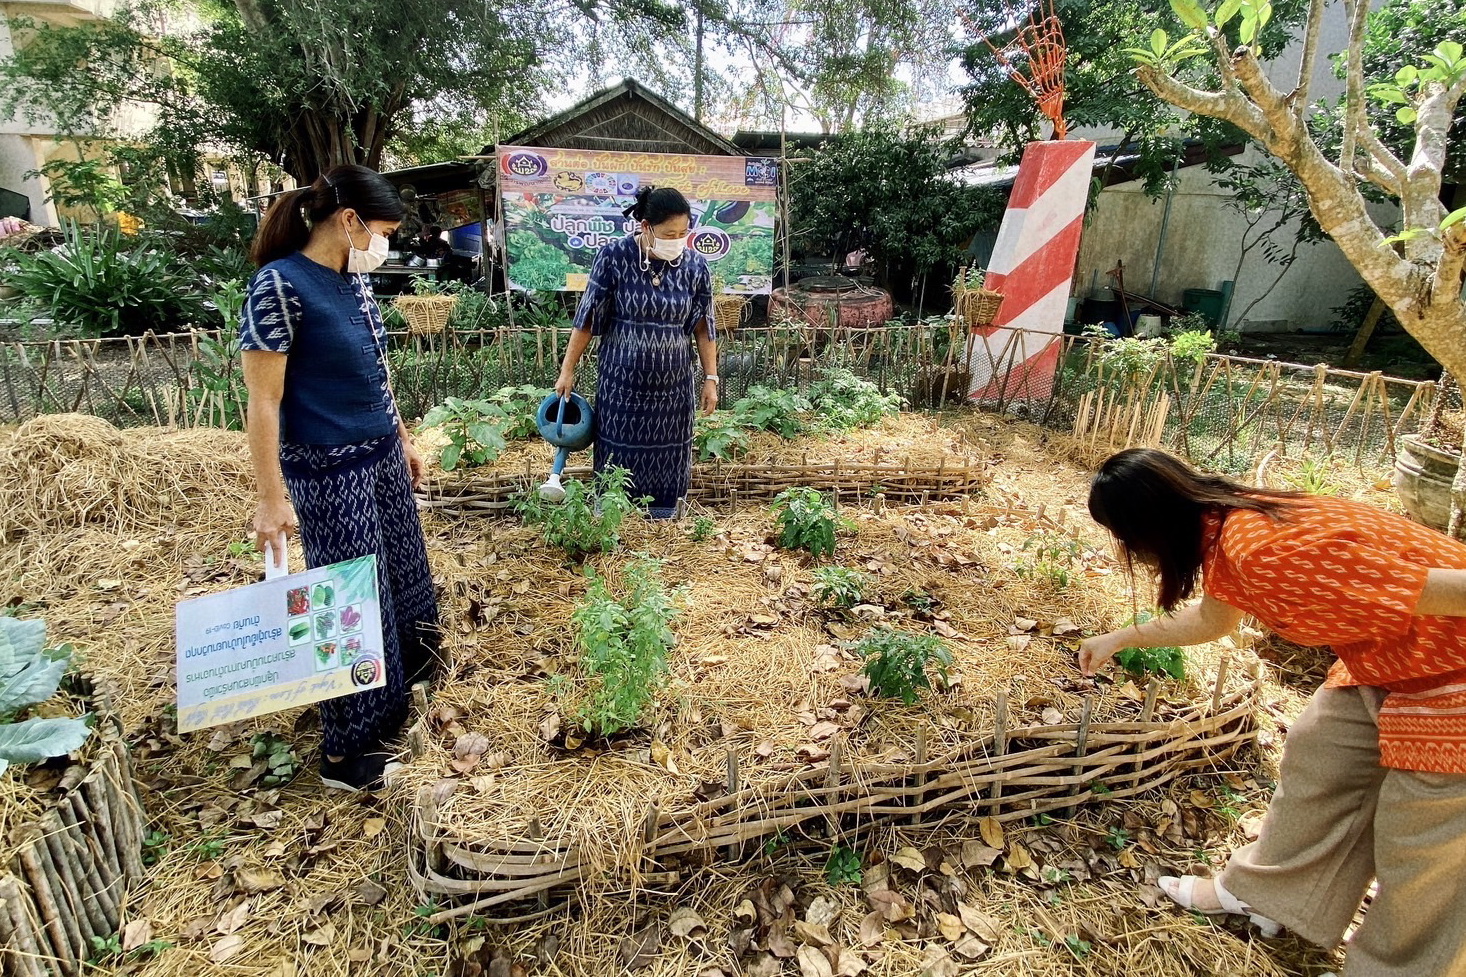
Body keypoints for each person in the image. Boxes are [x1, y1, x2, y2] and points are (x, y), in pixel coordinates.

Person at [1079, 448, 1466, 977]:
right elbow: (1213, 621)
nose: (1132, 552)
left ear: (1148, 527)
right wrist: (1122, 637)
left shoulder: (1263, 549)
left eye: (1125, 538)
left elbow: (1439, 589)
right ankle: (1267, 895)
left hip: (1453, 673)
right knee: (1322, 752)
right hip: (1393, 661)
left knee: (1418, 841)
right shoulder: (1228, 527)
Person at [240, 165, 440, 792]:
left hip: (379, 455)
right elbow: (264, 401)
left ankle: (401, 698)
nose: (384, 247)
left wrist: (402, 438)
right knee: (349, 602)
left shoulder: (354, 284)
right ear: (349, 222)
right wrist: (270, 498)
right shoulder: (280, 286)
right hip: (326, 470)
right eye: (381, 232)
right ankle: (348, 752)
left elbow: (376, 372)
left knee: (404, 574)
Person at [554, 186, 717, 518]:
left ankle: (664, 518)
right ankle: (613, 516)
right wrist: (567, 369)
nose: (677, 240)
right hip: (622, 386)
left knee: (669, 456)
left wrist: (711, 377)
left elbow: (704, 325)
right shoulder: (614, 257)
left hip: (674, 392)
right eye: (669, 233)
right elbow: (587, 317)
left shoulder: (695, 267)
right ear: (645, 227)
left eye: (683, 232)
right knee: (618, 452)